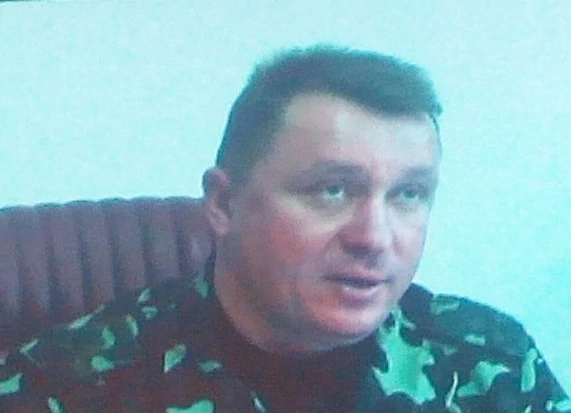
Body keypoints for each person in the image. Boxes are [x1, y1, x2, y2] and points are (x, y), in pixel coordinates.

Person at [0, 44, 569, 413]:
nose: (375, 237)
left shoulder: (491, 364)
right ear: (224, 204)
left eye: (408, 195)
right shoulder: (62, 385)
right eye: (332, 190)